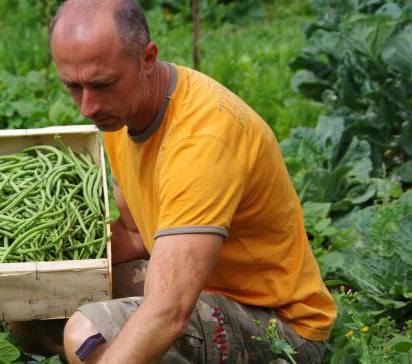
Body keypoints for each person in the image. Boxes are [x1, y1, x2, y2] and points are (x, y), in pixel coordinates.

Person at [41, 0, 338, 363]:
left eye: (102, 84)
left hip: (279, 327)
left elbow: (168, 314)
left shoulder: (202, 139)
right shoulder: (121, 111)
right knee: (38, 307)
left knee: (85, 333)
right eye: (73, 86)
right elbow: (135, 235)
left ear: (147, 59)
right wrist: (14, 260)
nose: (86, 107)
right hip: (203, 292)